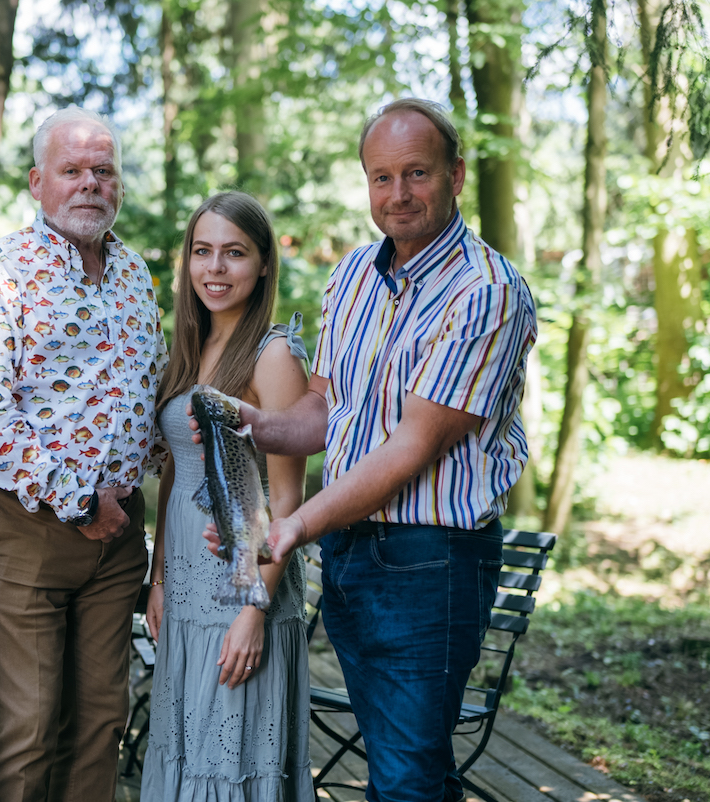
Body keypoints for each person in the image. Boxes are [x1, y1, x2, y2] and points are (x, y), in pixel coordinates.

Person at [200, 99, 538, 802]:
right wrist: (253, 426)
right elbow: (327, 409)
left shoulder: (486, 291)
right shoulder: (353, 273)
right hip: (353, 554)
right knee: (404, 767)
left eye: (417, 173)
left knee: (407, 779)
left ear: (456, 176)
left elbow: (410, 448)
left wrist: (293, 526)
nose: (399, 194)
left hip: (431, 561)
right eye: (381, 177)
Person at [0, 106, 166, 802]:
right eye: (72, 170)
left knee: (101, 721)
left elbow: (149, 395)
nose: (90, 183)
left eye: (104, 171)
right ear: (39, 182)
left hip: (119, 538)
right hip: (23, 526)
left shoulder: (136, 276)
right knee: (25, 725)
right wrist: (77, 497)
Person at [140, 192, 313, 800]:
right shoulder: (187, 350)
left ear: (264, 264)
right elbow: (171, 479)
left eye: (234, 253)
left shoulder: (274, 356)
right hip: (184, 590)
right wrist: (158, 580)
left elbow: (288, 502)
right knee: (184, 755)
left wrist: (253, 611)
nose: (215, 268)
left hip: (242, 587)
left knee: (230, 760)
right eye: (202, 252)